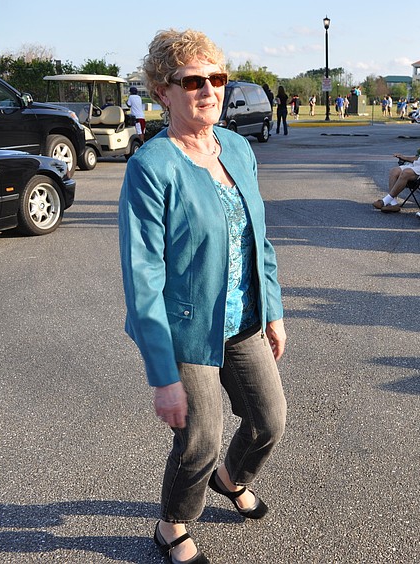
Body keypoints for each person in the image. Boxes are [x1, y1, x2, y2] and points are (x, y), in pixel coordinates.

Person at [118, 29, 288, 564]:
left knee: (269, 421)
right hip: (186, 329)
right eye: (193, 81)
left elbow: (258, 238)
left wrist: (274, 310)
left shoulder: (236, 147)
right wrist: (163, 375)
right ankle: (172, 523)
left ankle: (230, 479)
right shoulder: (152, 166)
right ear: (163, 92)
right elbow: (142, 277)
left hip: (244, 319)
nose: (209, 90)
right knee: (200, 440)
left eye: (217, 78)